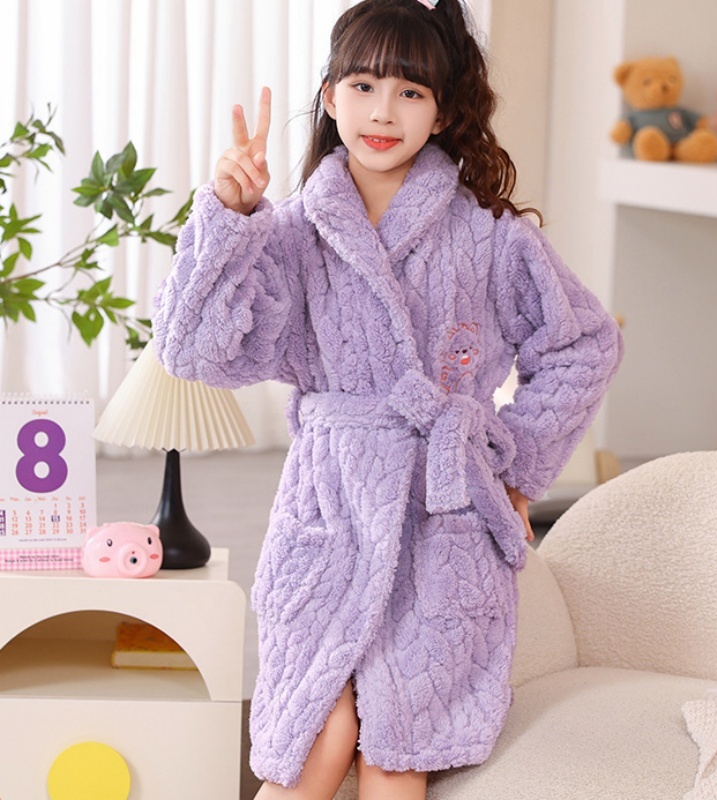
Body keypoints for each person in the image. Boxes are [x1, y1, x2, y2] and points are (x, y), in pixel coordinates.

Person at [152, 1, 623, 798]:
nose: (383, 112)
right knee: (319, 729)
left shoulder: (489, 235)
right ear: (330, 97)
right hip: (328, 512)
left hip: (442, 523)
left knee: (396, 748)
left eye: (410, 92)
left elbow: (584, 343)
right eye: (364, 86)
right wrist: (230, 217)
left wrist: (514, 468)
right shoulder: (292, 233)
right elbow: (195, 350)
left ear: (442, 113)